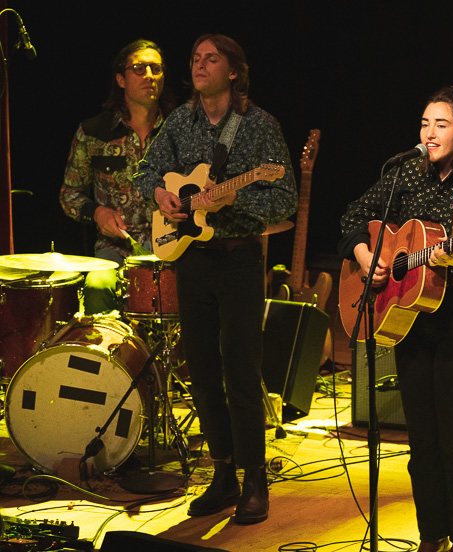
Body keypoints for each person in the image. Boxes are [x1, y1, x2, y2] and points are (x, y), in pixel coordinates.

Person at [339, 84, 453, 552]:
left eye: (442, 124)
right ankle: (431, 537)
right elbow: (354, 214)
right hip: (412, 320)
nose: (430, 132)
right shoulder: (406, 174)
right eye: (425, 123)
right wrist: (365, 256)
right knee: (421, 442)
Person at [135, 33, 296, 524]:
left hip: (239, 260)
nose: (200, 66)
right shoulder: (180, 121)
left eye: (212, 59)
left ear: (233, 72)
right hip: (192, 260)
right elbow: (147, 172)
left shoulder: (259, 127)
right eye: (195, 59)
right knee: (202, 372)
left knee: (241, 372)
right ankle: (222, 474)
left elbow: (285, 198)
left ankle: (254, 480)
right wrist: (161, 196)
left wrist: (235, 201)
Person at [60, 39, 175, 314]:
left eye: (156, 69)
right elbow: (69, 194)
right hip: (116, 248)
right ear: (121, 79)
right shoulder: (93, 132)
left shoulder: (179, 130)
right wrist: (97, 213)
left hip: (173, 246)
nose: (149, 76)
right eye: (139, 68)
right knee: (98, 287)